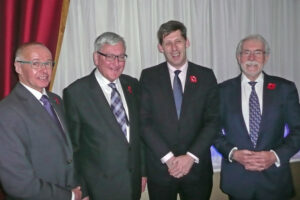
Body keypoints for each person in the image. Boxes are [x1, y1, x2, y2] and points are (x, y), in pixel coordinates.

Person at [140, 20, 219, 200]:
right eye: (168, 43)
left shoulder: (206, 76)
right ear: (161, 47)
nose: (173, 48)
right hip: (161, 171)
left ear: (187, 42)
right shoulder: (148, 76)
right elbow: (144, 122)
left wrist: (190, 157)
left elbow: (213, 121)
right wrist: (169, 158)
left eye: (178, 41)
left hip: (197, 170)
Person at [214, 34, 300, 200]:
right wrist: (233, 153)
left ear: (266, 57)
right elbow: (212, 131)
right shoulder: (221, 91)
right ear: (239, 57)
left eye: (258, 52)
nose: (251, 57)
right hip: (238, 181)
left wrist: (275, 155)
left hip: (275, 181)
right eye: (246, 52)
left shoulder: (285, 88)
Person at [63, 32, 146, 200]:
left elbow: (138, 135)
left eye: (121, 57)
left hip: (133, 183)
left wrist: (143, 171)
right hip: (98, 188)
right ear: (96, 58)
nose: (116, 63)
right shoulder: (76, 93)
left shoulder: (133, 85)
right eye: (109, 57)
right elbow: (73, 148)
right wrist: (82, 189)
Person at [0, 42, 86, 200]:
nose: (44, 69)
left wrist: (80, 190)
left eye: (48, 63)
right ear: (18, 67)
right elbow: (17, 184)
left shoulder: (55, 100)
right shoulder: (7, 113)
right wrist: (70, 196)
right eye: (35, 63)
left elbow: (68, 153)